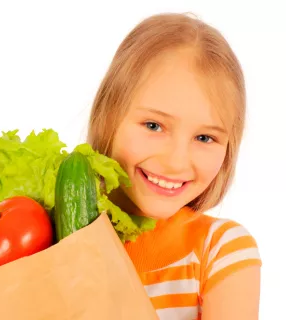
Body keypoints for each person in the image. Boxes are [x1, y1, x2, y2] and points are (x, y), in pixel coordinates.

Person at [87, 13, 262, 320]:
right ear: (108, 117)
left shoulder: (220, 250)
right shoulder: (56, 243)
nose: (176, 161)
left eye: (205, 137)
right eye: (153, 125)